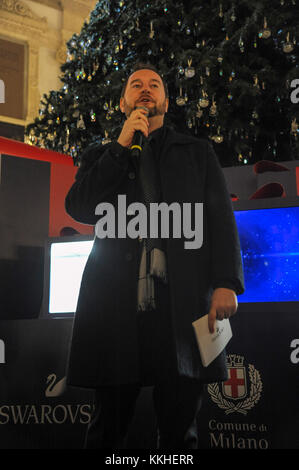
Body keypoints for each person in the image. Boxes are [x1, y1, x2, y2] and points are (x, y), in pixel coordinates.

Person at [65, 62, 245, 449]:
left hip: (180, 306)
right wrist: (118, 148)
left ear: (166, 99)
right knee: (107, 428)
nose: (145, 90)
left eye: (154, 85)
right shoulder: (101, 155)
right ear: (122, 101)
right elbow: (79, 208)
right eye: (135, 85)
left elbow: (220, 220)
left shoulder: (197, 153)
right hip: (116, 306)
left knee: (180, 429)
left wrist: (227, 283)